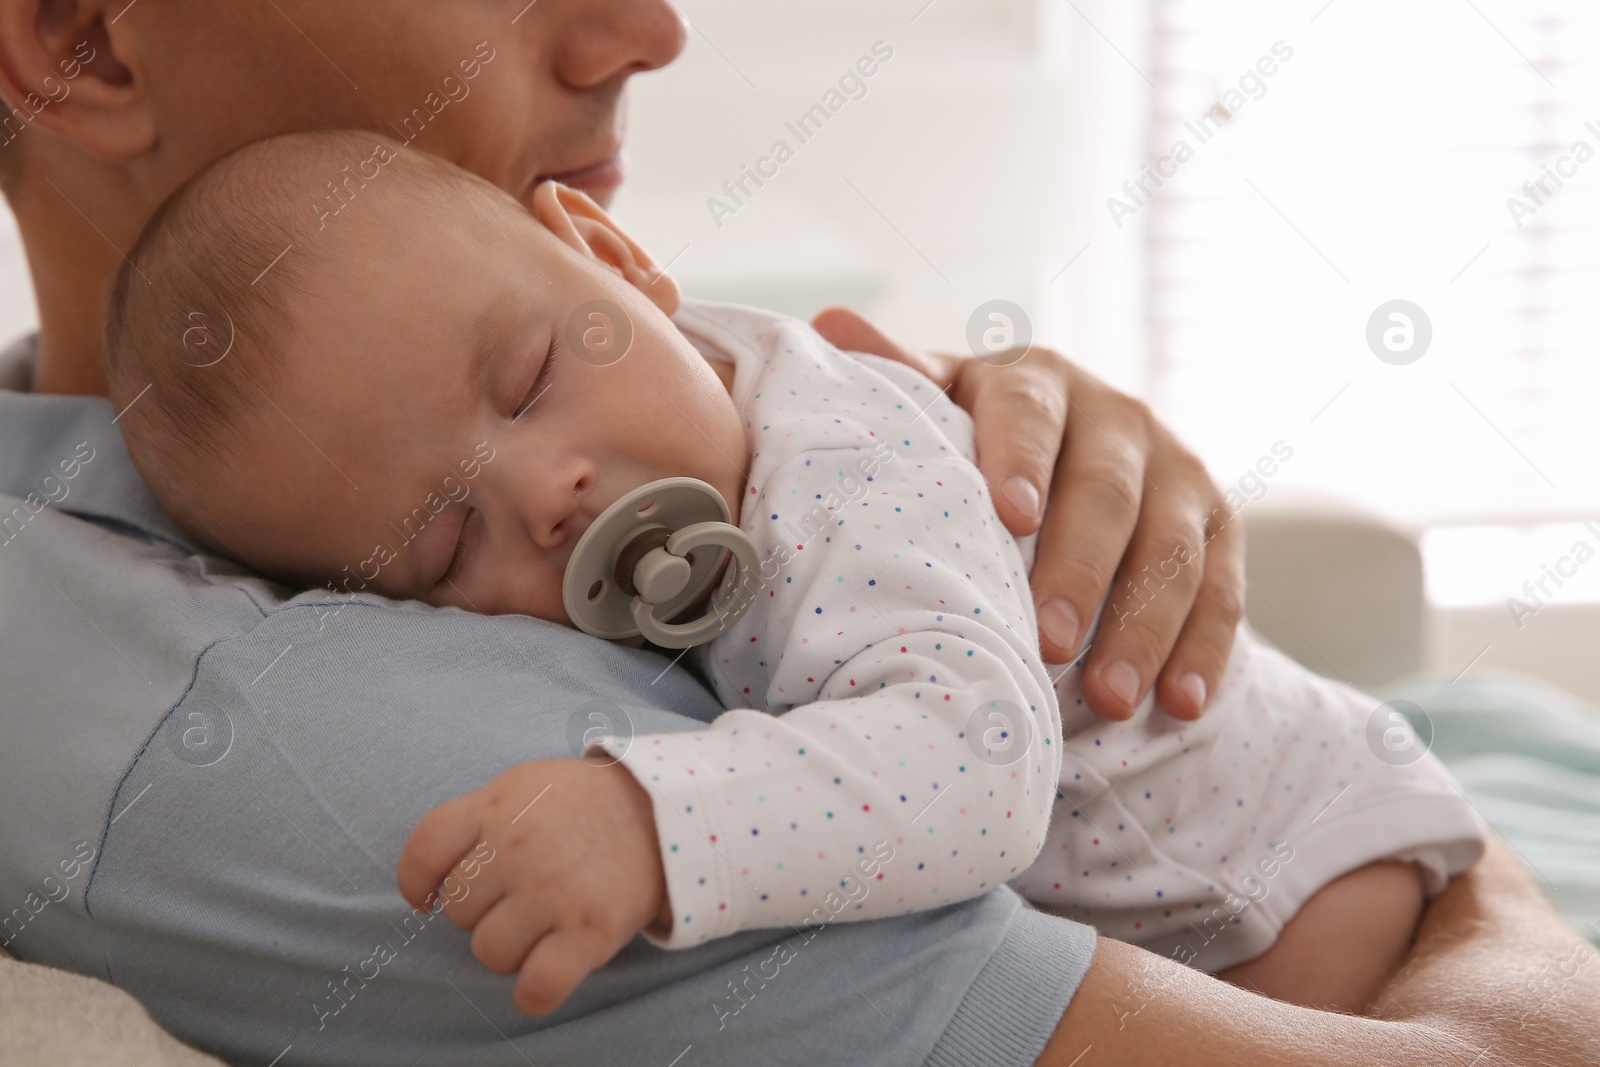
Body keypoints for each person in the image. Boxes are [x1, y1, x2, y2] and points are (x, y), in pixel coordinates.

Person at [0, 3, 1594, 1066]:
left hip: (1281, 862)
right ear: (82, 35)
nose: (654, 26)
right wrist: (1490, 906)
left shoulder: (235, 478)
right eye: (438, 549)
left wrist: (987, 451)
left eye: (538, 367)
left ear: (604, 260)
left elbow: (958, 724)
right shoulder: (271, 721)